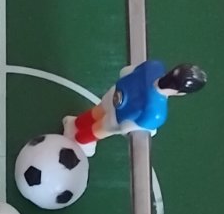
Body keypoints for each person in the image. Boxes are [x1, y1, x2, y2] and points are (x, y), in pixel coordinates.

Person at [64, 61, 207, 155]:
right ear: (181, 93)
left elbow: (125, 71)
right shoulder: (157, 113)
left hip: (114, 94)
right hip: (118, 117)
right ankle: (78, 141)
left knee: (96, 112)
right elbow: (128, 127)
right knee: (98, 130)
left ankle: (75, 124)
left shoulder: (154, 66)